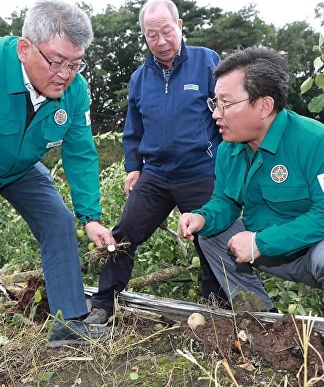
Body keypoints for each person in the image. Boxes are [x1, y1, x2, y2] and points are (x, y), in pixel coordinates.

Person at [0, 1, 115, 385]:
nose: (65, 75)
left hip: (21, 168)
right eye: (57, 61)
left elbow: (80, 152)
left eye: (75, 64)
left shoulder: (75, 91)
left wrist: (91, 216)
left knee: (60, 221)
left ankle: (67, 324)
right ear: (25, 48)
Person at [178, 46, 324, 327]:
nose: (216, 114)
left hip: (321, 251)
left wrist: (260, 242)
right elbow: (225, 202)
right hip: (274, 253)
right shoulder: (230, 149)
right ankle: (260, 320)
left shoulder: (318, 144)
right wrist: (201, 217)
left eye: (226, 103)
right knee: (211, 234)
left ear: (264, 105)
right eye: (215, 103)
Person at [85, 0, 229, 327]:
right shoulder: (140, 78)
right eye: (152, 35)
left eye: (167, 31)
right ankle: (104, 302)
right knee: (123, 234)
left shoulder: (207, 62)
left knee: (212, 239)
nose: (161, 41)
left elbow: (226, 113)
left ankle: (219, 310)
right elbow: (133, 129)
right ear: (144, 37)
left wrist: (224, 161)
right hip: (156, 174)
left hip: (201, 171)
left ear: (179, 27)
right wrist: (133, 167)